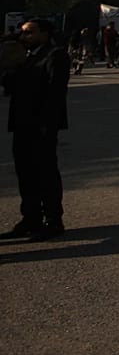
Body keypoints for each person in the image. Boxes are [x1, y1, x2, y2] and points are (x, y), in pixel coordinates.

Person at [2, 18, 71, 240]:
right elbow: (11, 87)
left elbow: (55, 93)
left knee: (45, 173)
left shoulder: (55, 55)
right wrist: (9, 68)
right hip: (22, 123)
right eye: (22, 33)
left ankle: (53, 220)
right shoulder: (26, 57)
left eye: (29, 33)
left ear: (44, 34)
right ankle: (30, 217)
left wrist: (47, 126)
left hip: (41, 125)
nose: (23, 37)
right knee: (25, 173)